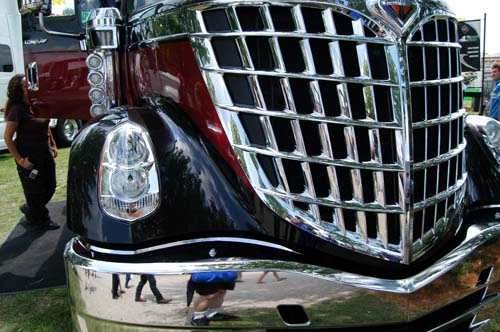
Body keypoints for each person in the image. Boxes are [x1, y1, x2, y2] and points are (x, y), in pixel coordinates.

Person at [3, 74, 59, 230]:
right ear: (20, 90)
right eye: (26, 85)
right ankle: (42, 219)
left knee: (51, 186)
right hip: (28, 156)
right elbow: (7, 138)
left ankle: (30, 208)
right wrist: (21, 161)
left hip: (44, 152)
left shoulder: (37, 104)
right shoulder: (16, 110)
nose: (31, 86)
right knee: (35, 190)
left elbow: (45, 125)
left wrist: (53, 144)